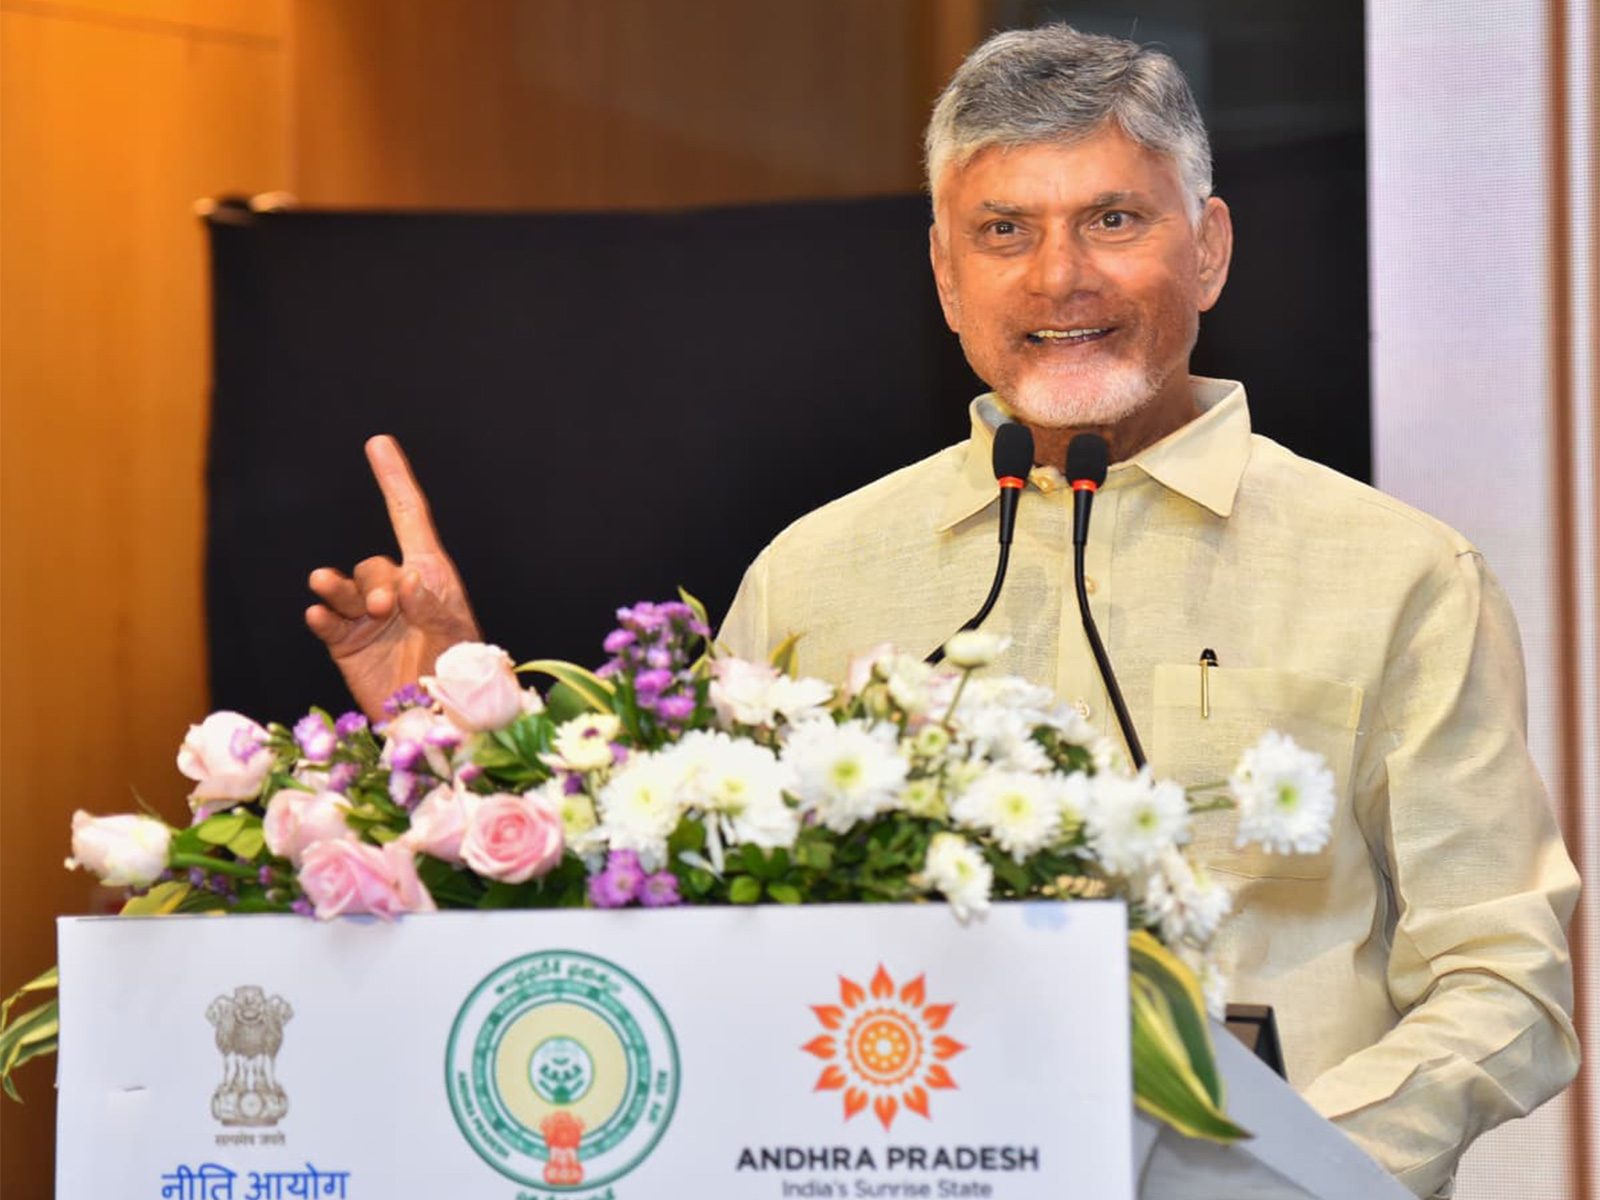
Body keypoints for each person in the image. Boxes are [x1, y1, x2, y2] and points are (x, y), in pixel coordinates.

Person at [304, 25, 1578, 1198]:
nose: (1058, 278)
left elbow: (1501, 979)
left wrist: (1277, 1174)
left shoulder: (1398, 573)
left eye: (1114, 219)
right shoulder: (813, 573)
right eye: (1004, 231)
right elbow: (666, 937)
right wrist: (460, 730)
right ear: (943, 271)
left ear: (1212, 247)